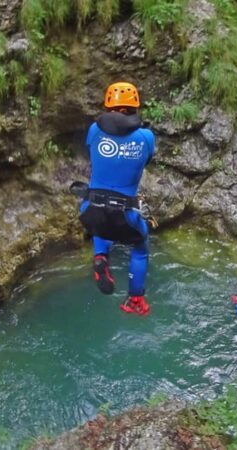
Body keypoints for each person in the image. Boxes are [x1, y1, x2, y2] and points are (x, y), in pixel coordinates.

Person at [79, 82, 155, 315]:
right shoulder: (145, 137)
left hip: (89, 206)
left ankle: (101, 258)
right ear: (134, 107)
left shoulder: (94, 130)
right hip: (125, 212)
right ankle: (135, 299)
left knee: (100, 224)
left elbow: (90, 149)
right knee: (140, 248)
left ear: (109, 106)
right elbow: (147, 159)